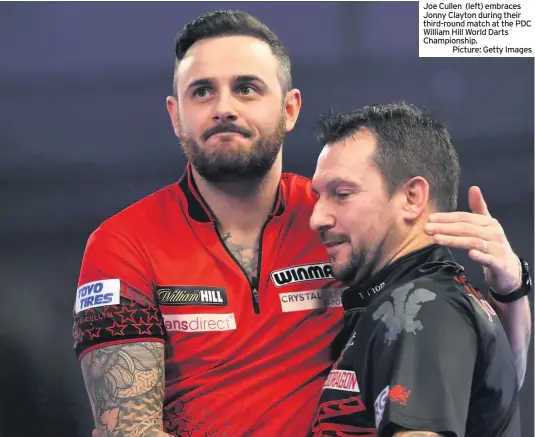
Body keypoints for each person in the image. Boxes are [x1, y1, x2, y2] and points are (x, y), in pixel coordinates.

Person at [73, 10, 531, 437]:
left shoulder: (344, 218)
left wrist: (512, 289)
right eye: (202, 91)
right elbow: (127, 429)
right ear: (176, 115)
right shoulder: (122, 244)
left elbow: (460, 371)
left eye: (247, 88)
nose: (224, 107)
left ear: (290, 109)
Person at [309, 102, 531, 437]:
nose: (316, 219)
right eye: (318, 196)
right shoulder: (414, 301)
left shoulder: (423, 307)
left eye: (342, 194)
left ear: (412, 197)